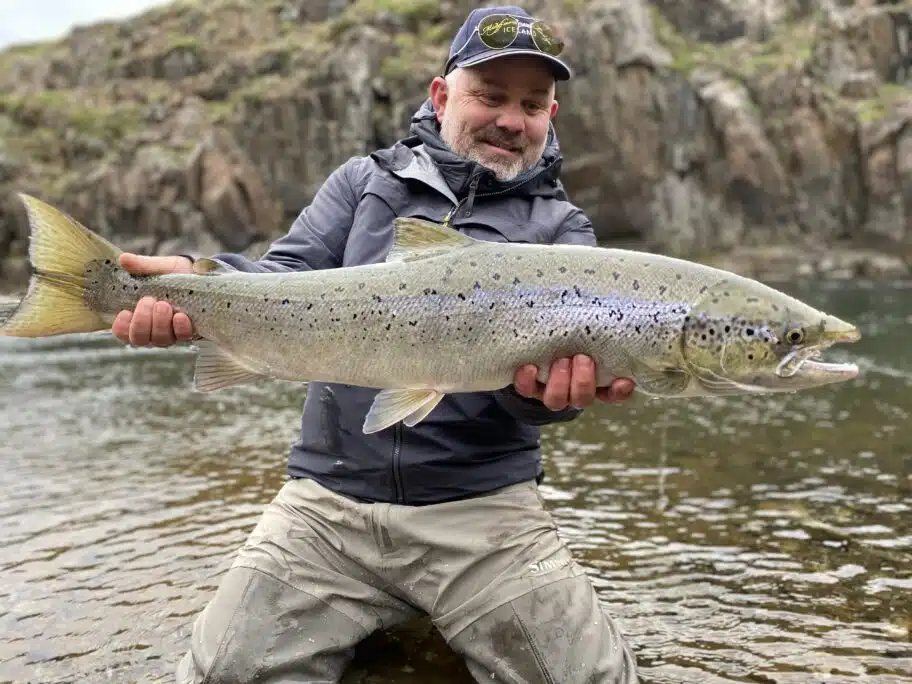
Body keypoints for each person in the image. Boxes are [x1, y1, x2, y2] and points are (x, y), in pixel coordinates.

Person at [114, 6, 639, 683]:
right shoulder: (364, 184)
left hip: (482, 513)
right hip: (327, 507)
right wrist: (193, 281)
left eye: (532, 104)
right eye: (491, 96)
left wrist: (548, 401)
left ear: (551, 115)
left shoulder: (562, 232)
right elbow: (281, 281)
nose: (512, 119)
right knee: (221, 675)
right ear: (442, 95)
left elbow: (547, 401)